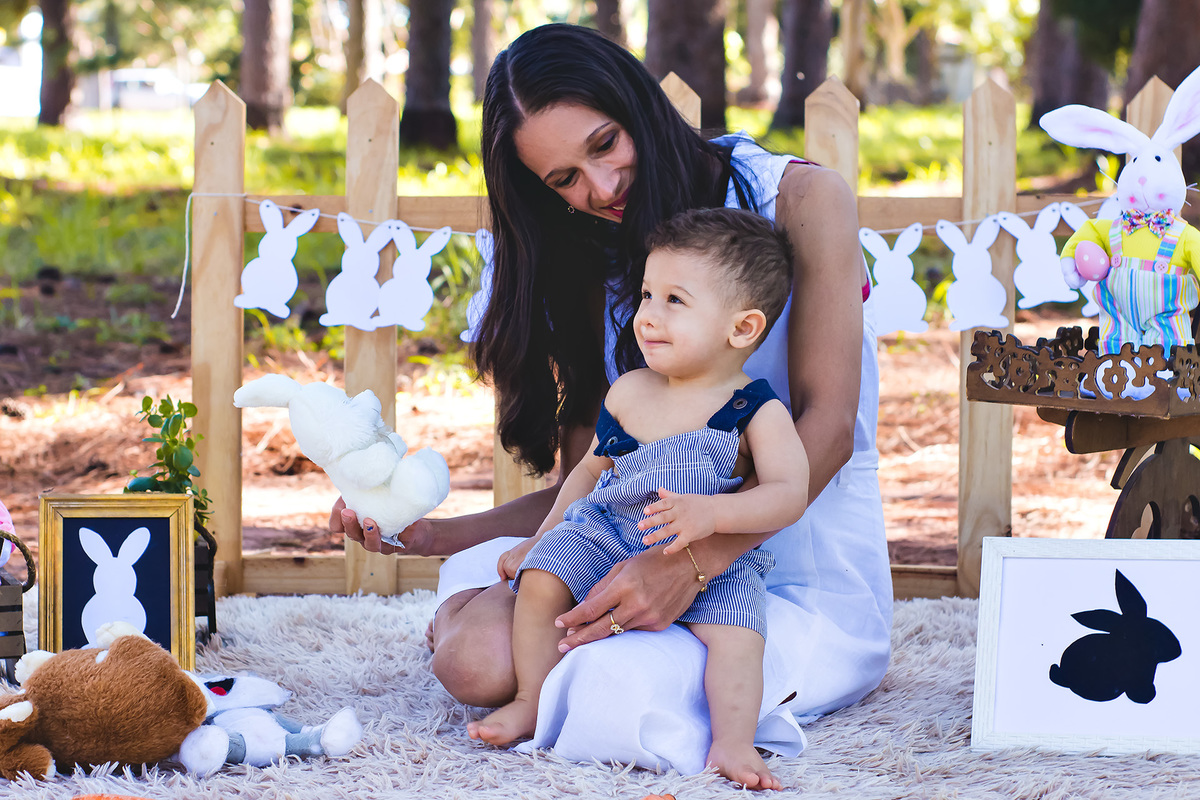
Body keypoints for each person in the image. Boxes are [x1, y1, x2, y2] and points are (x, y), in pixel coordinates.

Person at [331, 22, 893, 778]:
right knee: (477, 660)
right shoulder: (589, 250)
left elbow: (827, 429)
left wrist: (690, 566)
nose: (598, 190)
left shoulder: (798, 199)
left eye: (603, 145)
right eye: (563, 180)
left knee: (605, 693)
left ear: (636, 103)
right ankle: (471, 606)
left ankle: (491, 617)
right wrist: (440, 535)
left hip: (780, 574)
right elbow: (598, 481)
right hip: (628, 553)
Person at [467, 208, 807, 790]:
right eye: (647, 295)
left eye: (675, 301)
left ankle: (732, 742)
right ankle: (531, 700)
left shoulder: (754, 407)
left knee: (738, 637)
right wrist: (540, 539)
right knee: (542, 578)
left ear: (742, 328)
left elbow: (789, 494)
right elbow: (582, 478)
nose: (648, 316)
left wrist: (714, 514)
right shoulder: (629, 390)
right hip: (610, 531)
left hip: (703, 552)